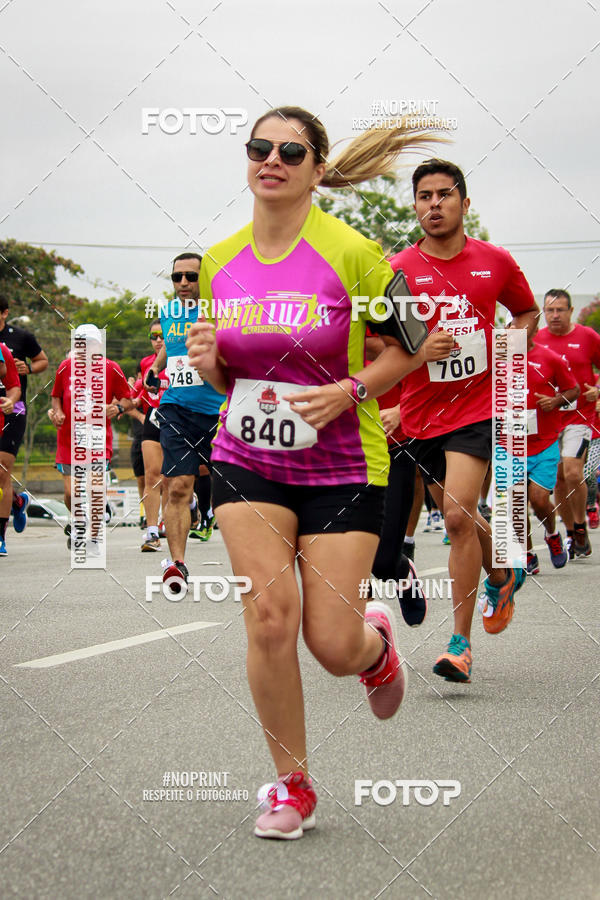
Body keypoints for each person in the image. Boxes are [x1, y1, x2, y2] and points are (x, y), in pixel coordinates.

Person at [186, 106, 454, 839]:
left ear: (316, 167)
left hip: (342, 465)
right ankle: (291, 786)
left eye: (290, 150)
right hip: (248, 458)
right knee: (269, 620)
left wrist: (352, 389)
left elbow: (412, 344)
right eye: (259, 147)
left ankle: (373, 649)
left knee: (329, 645)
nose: (271, 158)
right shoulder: (220, 259)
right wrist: (211, 367)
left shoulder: (357, 255)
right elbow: (223, 379)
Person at [389, 158, 539, 683]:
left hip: (477, 405)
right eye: (424, 196)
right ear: (415, 206)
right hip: (419, 410)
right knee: (458, 514)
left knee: (455, 515)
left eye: (444, 195)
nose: (434, 204)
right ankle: (502, 569)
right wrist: (387, 398)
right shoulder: (397, 269)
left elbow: (526, 311)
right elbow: (385, 341)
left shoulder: (494, 261)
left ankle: (460, 644)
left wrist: (506, 350)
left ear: (464, 203)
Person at [144, 254, 224, 589]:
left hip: (221, 411)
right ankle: (177, 564)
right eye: (177, 277)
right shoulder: (168, 312)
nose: (184, 283)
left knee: (233, 493)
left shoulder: (224, 309)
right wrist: (155, 366)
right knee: (177, 485)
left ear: (203, 278)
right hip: (176, 407)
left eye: (191, 276)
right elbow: (172, 346)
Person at [48, 324, 133, 549]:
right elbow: (56, 395)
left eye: (90, 343)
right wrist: (57, 412)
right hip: (69, 440)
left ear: (99, 345)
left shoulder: (111, 369)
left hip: (97, 439)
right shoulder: (66, 367)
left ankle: (94, 535)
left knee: (95, 488)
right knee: (70, 492)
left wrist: (118, 409)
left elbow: (128, 398)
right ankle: (80, 521)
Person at [537, 289, 600, 558]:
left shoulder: (588, 337)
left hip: (580, 417)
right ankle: (572, 534)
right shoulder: (538, 340)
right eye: (549, 310)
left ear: (571, 311)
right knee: (559, 479)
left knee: (574, 472)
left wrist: (598, 390)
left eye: (560, 310)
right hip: (549, 421)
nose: (554, 315)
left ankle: (580, 525)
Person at [518, 323, 579, 574]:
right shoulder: (498, 360)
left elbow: (573, 389)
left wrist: (555, 401)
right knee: (514, 501)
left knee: (538, 499)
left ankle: (552, 534)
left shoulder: (549, 358)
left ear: (534, 331)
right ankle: (527, 553)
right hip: (510, 443)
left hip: (544, 441)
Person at [0, 296, 48, 549]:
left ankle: (0, 537)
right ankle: (18, 502)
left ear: (5, 313)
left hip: (12, 409)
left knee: (2, 471)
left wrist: (27, 368)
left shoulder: (20, 337)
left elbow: (43, 361)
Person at [134, 320, 169, 551]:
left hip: (180, 416)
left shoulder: (181, 358)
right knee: (151, 476)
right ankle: (152, 532)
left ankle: (191, 504)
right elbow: (137, 397)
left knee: (173, 479)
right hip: (154, 417)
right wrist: (123, 405)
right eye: (153, 336)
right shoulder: (147, 363)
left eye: (161, 335)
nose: (157, 340)